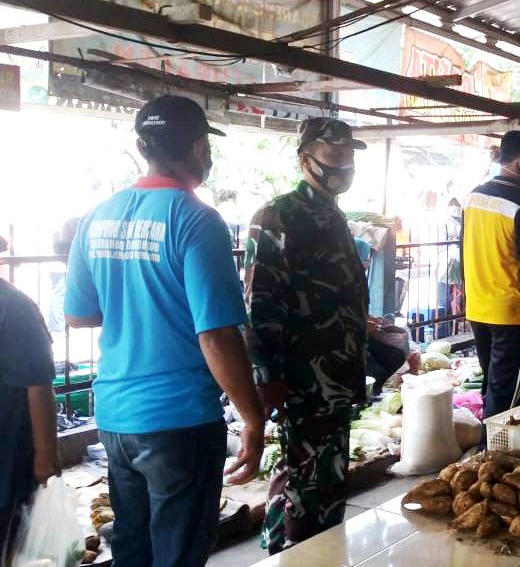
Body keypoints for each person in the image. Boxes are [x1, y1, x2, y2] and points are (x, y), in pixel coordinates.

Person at [64, 96, 264, 567]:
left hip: (115, 417)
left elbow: (78, 315)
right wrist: (252, 419)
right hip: (178, 421)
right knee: (177, 554)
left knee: (133, 547)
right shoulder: (196, 221)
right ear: (199, 147)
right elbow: (216, 336)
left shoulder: (97, 217)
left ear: (141, 146)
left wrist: (135, 302)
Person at [244, 117, 370, 553]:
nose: (344, 168)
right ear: (305, 159)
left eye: (349, 159)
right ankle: (304, 553)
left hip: (336, 373)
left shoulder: (331, 214)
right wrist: (266, 377)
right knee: (313, 480)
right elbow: (259, 305)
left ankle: (282, 549)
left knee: (317, 471)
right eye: (335, 157)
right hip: (303, 377)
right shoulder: (279, 215)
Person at [462, 130, 520, 421]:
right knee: (506, 399)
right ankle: (491, 456)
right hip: (511, 314)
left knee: (492, 387)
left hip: (477, 308)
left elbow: (465, 251)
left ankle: (483, 457)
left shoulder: (473, 197)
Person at [1, 280, 60, 552]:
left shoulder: (14, 308)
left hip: (10, 452)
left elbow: (38, 386)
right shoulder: (14, 306)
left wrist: (45, 454)